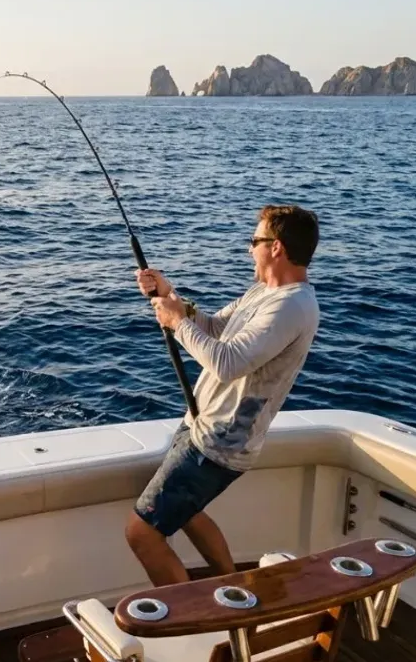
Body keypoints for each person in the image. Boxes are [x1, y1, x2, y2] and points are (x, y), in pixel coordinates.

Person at [124, 204, 320, 587]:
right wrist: (171, 296)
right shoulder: (265, 292)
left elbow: (228, 362)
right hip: (203, 424)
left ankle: (194, 623)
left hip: (218, 444)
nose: (250, 249)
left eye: (255, 241)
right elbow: (214, 327)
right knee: (190, 512)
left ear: (276, 247)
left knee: (141, 533)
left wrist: (176, 321)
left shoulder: (292, 306)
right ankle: (233, 588)